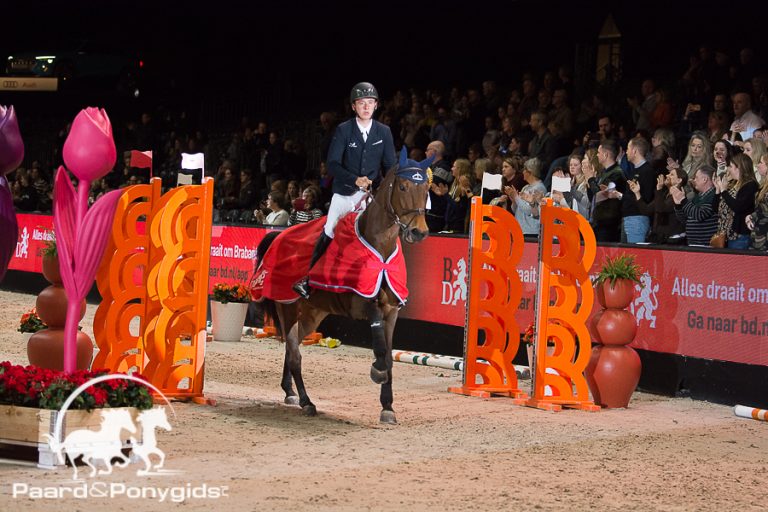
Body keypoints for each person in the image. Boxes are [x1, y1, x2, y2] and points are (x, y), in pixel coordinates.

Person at [293, 82, 396, 299]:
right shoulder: (343, 130)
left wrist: (381, 187)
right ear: (354, 106)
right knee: (330, 227)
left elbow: (390, 166)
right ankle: (308, 280)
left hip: (370, 195)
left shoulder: (384, 132)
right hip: (345, 192)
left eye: (370, 103)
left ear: (376, 105)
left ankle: (385, 281)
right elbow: (332, 164)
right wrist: (354, 179)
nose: (366, 107)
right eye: (361, 103)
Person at [713, 153, 758, 249]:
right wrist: (718, 190)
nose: (728, 169)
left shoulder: (750, 185)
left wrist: (724, 191)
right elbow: (715, 208)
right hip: (725, 234)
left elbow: (738, 207)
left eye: (731, 166)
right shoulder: (733, 184)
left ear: (739, 168)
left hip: (739, 235)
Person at [671, 165, 718, 246]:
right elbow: (685, 219)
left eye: (696, 177)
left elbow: (700, 215)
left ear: (704, 179)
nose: (694, 180)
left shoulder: (713, 195)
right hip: (693, 244)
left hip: (706, 245)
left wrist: (683, 200)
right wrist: (678, 205)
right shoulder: (697, 196)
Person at [746, 153, 768, 250]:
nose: (757, 165)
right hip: (758, 232)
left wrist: (751, 216)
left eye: (761, 162)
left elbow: (765, 211)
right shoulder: (763, 185)